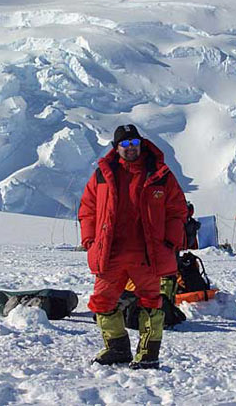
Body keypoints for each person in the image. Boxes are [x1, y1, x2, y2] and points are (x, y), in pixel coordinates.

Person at [79, 124, 187, 369]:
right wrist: (90, 241)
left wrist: (170, 241)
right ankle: (117, 348)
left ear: (141, 144)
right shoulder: (101, 175)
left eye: (134, 144)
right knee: (101, 302)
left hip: (147, 255)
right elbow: (87, 210)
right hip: (111, 254)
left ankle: (149, 354)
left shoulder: (161, 174)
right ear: (116, 148)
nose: (130, 149)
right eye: (125, 145)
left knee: (151, 302)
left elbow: (177, 209)